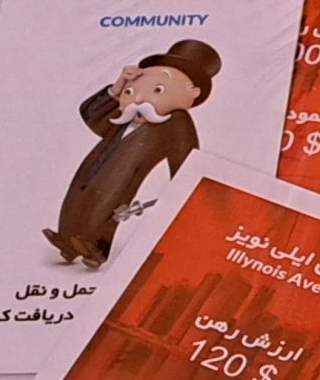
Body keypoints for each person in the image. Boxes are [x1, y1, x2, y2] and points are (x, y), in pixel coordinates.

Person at [44, 38, 220, 270]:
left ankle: (95, 249)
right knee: (76, 199)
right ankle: (67, 242)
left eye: (157, 90)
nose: (138, 98)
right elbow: (92, 117)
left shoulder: (175, 121)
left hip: (122, 178)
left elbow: (186, 158)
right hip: (92, 169)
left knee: (104, 208)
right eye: (132, 91)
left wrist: (179, 190)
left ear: (192, 93)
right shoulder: (126, 116)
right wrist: (117, 89)